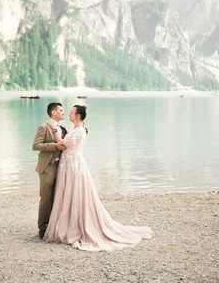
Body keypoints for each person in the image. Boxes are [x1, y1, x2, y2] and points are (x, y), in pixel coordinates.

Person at [43, 105, 152, 251]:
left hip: (73, 166)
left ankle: (75, 226)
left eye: (71, 113)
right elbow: (68, 137)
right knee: (66, 193)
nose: (68, 114)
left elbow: (63, 144)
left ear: (78, 116)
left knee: (74, 193)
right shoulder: (75, 129)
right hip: (67, 165)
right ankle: (66, 223)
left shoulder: (80, 130)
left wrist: (54, 129)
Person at [32, 102, 67, 239]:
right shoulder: (43, 127)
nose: (64, 113)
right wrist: (55, 146)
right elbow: (36, 146)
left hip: (61, 167)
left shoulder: (63, 127)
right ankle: (42, 229)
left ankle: (53, 227)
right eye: (61, 110)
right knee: (46, 199)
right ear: (53, 112)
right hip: (47, 167)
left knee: (56, 198)